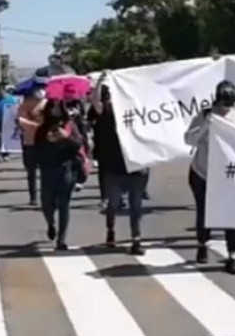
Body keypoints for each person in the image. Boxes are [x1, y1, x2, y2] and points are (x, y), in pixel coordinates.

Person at [184, 80, 235, 274]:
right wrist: (206, 125)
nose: (225, 108)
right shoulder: (204, 115)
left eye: (229, 103)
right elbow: (188, 139)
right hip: (202, 172)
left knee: (232, 215)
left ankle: (232, 256)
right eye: (222, 103)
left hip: (228, 174)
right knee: (204, 213)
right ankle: (202, 245)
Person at [89, 80, 147, 255]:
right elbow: (93, 99)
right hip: (113, 169)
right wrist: (100, 80)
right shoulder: (105, 114)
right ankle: (111, 231)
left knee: (136, 207)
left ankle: (136, 240)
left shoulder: (136, 114)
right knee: (113, 205)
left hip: (135, 167)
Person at [34, 100, 84, 251]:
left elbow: (78, 145)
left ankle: (61, 239)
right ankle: (51, 223)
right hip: (47, 171)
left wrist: (66, 138)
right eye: (52, 107)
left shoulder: (69, 126)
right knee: (47, 203)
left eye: (58, 107)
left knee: (64, 205)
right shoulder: (42, 129)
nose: (55, 111)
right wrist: (47, 142)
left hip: (65, 170)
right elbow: (36, 151)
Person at [17, 83, 47, 206]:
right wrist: (37, 126)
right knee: (31, 172)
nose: (40, 92)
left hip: (46, 142)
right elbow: (21, 121)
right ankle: (33, 197)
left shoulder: (48, 103)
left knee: (47, 171)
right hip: (30, 142)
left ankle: (47, 195)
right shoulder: (25, 104)